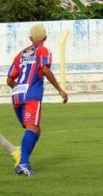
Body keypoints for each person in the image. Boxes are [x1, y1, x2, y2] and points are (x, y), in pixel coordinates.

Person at [6, 24, 68, 176]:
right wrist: (60, 90)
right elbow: (45, 69)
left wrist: (19, 88)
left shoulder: (21, 54)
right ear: (45, 38)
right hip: (31, 96)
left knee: (35, 130)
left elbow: (9, 80)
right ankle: (23, 164)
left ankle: (23, 160)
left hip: (17, 96)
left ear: (30, 38)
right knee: (32, 129)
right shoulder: (43, 50)